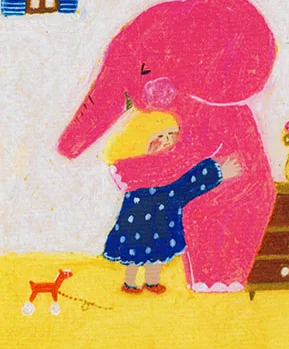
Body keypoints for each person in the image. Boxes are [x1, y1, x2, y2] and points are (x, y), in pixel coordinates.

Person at [102, 112, 241, 294]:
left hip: (161, 220)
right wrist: (217, 172)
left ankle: (152, 282)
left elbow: (187, 183)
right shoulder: (135, 168)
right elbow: (185, 186)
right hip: (137, 222)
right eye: (159, 136)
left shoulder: (175, 164)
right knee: (134, 252)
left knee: (157, 253)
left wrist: (216, 171)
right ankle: (130, 283)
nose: (166, 141)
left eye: (171, 134)